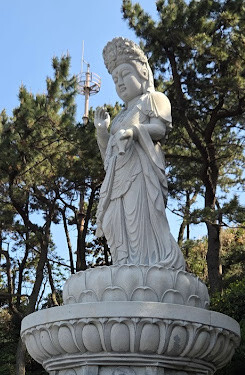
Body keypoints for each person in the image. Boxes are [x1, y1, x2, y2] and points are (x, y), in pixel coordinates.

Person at [94, 37, 185, 270]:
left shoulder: (153, 99)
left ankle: (148, 265)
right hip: (117, 177)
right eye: (115, 79)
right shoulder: (119, 117)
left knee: (137, 221)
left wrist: (135, 131)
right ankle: (123, 266)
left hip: (140, 174)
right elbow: (108, 157)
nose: (120, 82)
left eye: (124, 74)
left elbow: (159, 130)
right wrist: (102, 131)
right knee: (114, 223)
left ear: (143, 71)